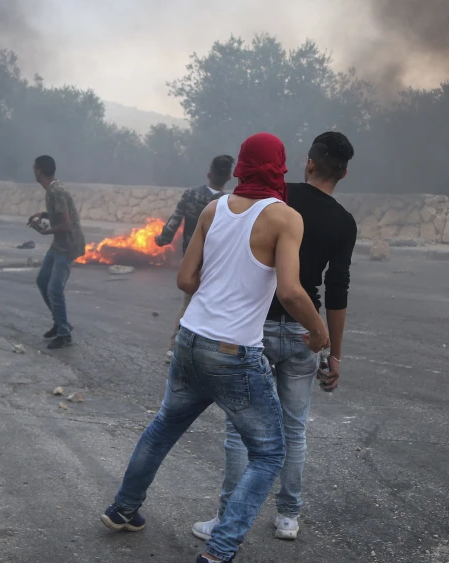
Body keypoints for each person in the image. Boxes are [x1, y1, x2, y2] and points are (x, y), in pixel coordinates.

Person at [100, 133, 329, 563]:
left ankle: (123, 509)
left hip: (190, 338)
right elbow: (293, 292)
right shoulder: (284, 218)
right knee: (269, 453)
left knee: (164, 426)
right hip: (234, 351)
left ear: (242, 165)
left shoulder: (212, 208)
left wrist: (221, 285)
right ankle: (221, 549)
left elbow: (185, 281)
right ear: (279, 168)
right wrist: (320, 334)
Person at [192, 131, 357, 543]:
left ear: (309, 163)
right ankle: (288, 516)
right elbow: (338, 290)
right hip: (305, 332)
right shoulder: (344, 222)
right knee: (294, 428)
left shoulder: (282, 199)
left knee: (238, 428)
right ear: (345, 172)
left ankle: (227, 516)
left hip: (257, 327)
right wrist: (334, 354)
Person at [155, 155, 236, 361]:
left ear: (209, 173)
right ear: (228, 178)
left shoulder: (191, 194)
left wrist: (162, 239)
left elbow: (174, 221)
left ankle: (174, 348)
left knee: (187, 303)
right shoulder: (227, 203)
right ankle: (207, 352)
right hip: (215, 263)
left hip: (191, 260)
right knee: (214, 306)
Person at [27, 155, 86, 350]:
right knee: (42, 280)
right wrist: (42, 215)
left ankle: (64, 334)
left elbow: (66, 224)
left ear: (39, 171)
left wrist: (45, 231)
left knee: (54, 288)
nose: (33, 171)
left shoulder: (56, 191)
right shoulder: (52, 189)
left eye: (34, 168)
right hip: (58, 244)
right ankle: (60, 322)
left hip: (67, 246)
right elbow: (60, 214)